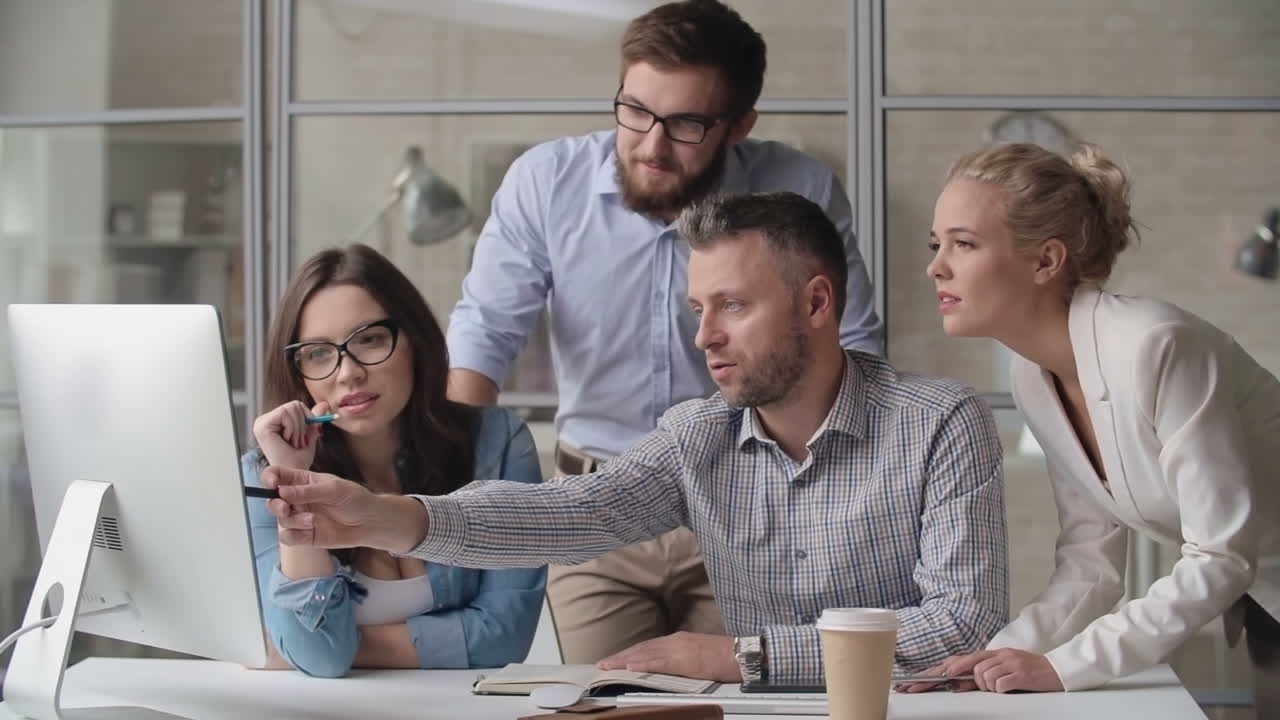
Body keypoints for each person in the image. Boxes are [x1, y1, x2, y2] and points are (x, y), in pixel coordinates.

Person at [263, 192, 1006, 686]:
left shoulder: (941, 422)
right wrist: (378, 515)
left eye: (732, 306)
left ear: (817, 302)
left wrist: (734, 656)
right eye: (696, 307)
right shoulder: (697, 436)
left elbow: (959, 623)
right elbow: (566, 514)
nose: (704, 336)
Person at [445, 0, 883, 664]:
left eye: (684, 125)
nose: (650, 145)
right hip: (596, 511)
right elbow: (485, 335)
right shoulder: (546, 182)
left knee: (740, 704)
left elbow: (855, 350)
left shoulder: (800, 190)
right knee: (601, 704)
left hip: (749, 510)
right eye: (635, 111)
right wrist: (455, 500)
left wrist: (832, 505)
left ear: (739, 125)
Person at [908, 142, 1280, 712]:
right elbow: (1091, 560)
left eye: (964, 243)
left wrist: (1065, 667)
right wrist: (996, 659)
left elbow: (1220, 553)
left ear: (1045, 261)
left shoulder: (1157, 346)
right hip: (1261, 606)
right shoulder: (1036, 377)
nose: (937, 265)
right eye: (938, 244)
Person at [243, 244, 546, 677]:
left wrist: (322, 646)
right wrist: (298, 480)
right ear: (297, 373)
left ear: (415, 342)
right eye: (318, 353)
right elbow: (318, 657)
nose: (347, 372)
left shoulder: (498, 444)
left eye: (370, 339)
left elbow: (504, 635)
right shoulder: (262, 475)